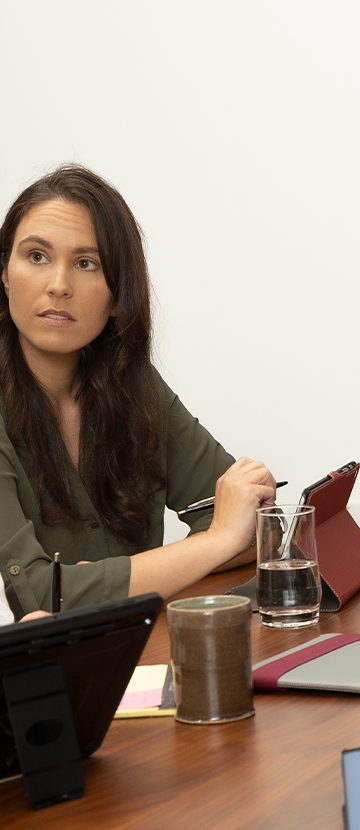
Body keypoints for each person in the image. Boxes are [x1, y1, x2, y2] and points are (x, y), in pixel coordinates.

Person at [0, 164, 276, 620]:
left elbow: (247, 525)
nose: (58, 285)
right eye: (36, 257)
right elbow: (42, 595)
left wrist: (104, 582)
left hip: (146, 650)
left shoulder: (133, 384)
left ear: (116, 295)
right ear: (5, 274)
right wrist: (215, 542)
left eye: (87, 263)